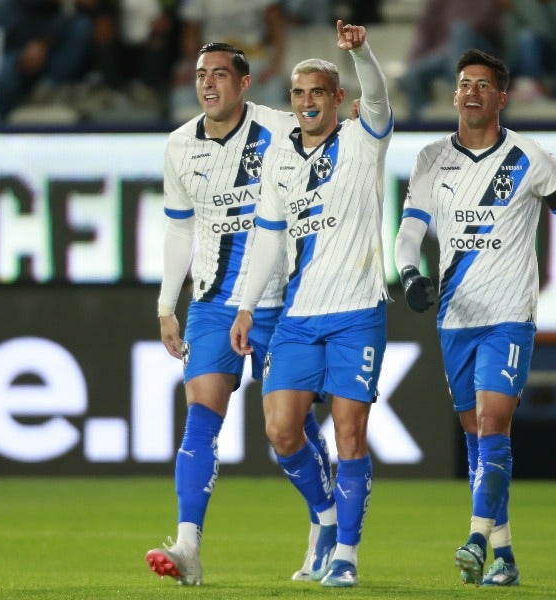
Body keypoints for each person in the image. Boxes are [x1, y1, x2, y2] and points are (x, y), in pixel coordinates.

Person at [394, 48, 556, 587]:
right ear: (454, 94)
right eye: (464, 83)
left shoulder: (530, 156)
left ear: (502, 97)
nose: (472, 92)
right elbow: (410, 232)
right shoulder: (432, 159)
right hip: (455, 318)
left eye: (484, 84)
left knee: (492, 424)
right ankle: (504, 556)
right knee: (475, 438)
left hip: (509, 316)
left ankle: (476, 539)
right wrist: (410, 275)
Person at [144, 40, 331, 586]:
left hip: (283, 302)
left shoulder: (281, 128)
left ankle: (325, 523)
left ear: (244, 83)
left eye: (220, 75)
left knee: (288, 430)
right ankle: (187, 546)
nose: (208, 84)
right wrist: (165, 305)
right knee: (200, 416)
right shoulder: (179, 146)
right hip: (210, 304)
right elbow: (181, 228)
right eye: (201, 74)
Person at [229, 20, 393, 588]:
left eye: (317, 93)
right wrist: (247, 306)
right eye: (298, 94)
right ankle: (324, 519)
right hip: (297, 315)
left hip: (356, 311)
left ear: (337, 98)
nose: (305, 103)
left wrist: (360, 51)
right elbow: (270, 238)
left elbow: (377, 95)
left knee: (349, 434)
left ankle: (345, 554)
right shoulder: (278, 161)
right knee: (280, 431)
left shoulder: (362, 138)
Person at [170, 0, 288, 121]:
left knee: (273, 87)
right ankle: (186, 138)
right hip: (212, 60)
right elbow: (190, 35)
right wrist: (190, 64)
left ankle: (270, 137)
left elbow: (277, 27)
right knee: (183, 91)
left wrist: (275, 65)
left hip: (252, 60)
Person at [400, 0, 502, 122]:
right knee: (413, 74)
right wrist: (411, 62)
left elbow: (492, 28)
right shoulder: (436, 3)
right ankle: (420, 125)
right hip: (443, 56)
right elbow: (424, 32)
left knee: (461, 30)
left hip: (479, 54)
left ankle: (459, 84)